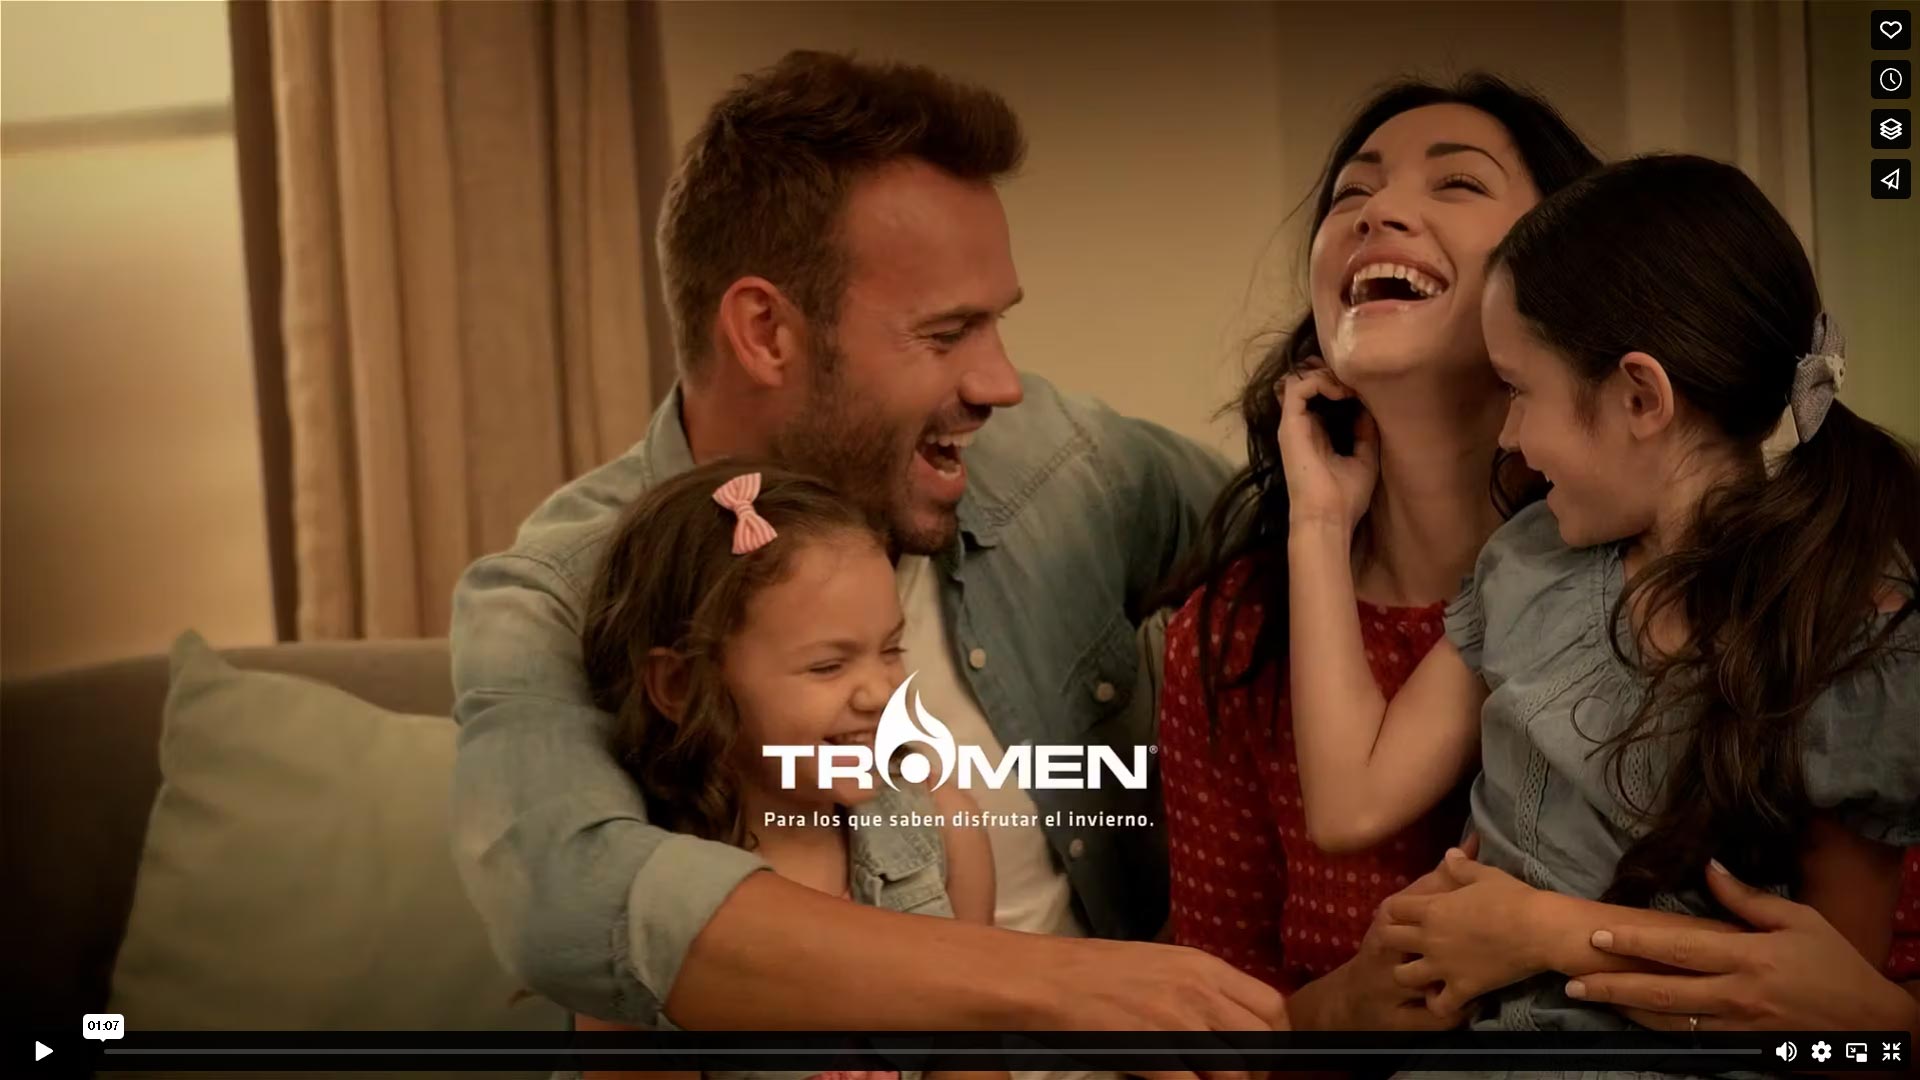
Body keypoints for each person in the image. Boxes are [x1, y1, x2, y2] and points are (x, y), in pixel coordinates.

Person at [449, 49, 1283, 1037]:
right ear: (766, 332)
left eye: (996, 325)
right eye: (947, 333)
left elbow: (1305, 534)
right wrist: (1067, 984)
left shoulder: (1056, 464)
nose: (1001, 384)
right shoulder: (560, 589)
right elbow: (565, 897)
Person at [1282, 153, 1919, 1030]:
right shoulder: (1529, 562)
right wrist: (1318, 520)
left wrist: (1543, 933)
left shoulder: (1852, 632)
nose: (1509, 436)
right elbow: (1351, 801)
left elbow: (1820, 1008)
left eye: (1519, 390)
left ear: (1640, 397)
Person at [1155, 73, 1601, 1028]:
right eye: (1352, 193)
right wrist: (1350, 1004)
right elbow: (1210, 1034)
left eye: (1457, 183)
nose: (1377, 212)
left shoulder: (1653, 586)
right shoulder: (1230, 638)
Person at [569, 462, 1000, 1080]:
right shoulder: (635, 908)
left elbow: (972, 1058)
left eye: (890, 650)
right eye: (828, 666)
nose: (881, 693)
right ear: (681, 685)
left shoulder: (946, 829)